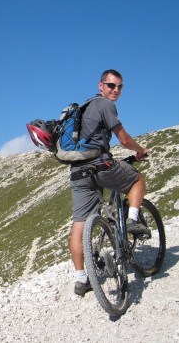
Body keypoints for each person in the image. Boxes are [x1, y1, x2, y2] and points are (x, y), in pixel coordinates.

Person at [69, 69, 149, 297]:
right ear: (100, 85)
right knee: (137, 180)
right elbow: (123, 138)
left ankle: (81, 279)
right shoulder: (105, 105)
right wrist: (140, 150)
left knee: (80, 223)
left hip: (77, 172)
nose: (115, 90)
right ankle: (132, 221)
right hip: (101, 166)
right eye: (111, 85)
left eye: (119, 87)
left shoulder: (84, 107)